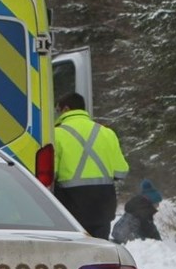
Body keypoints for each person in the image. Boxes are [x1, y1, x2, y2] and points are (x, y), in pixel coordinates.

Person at [52, 92, 128, 238]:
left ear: (66, 109)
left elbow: (51, 173)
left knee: (76, 248)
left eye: (57, 110)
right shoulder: (107, 133)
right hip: (103, 205)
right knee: (100, 248)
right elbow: (121, 171)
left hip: (71, 204)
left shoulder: (56, 134)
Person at [112, 179, 162, 244]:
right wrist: (159, 242)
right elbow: (149, 229)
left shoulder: (138, 205)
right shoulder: (144, 211)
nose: (158, 206)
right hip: (128, 239)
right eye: (157, 203)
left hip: (118, 233)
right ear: (152, 202)